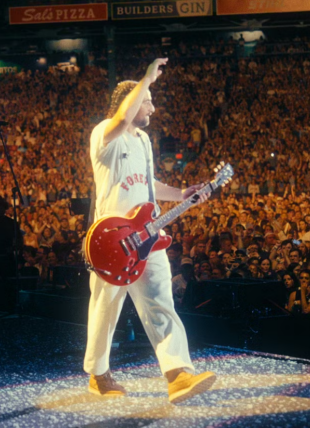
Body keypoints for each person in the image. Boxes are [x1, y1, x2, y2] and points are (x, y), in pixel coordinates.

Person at [84, 58, 216, 404]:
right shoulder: (104, 133)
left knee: (160, 301)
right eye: (147, 101)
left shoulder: (143, 139)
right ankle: (98, 374)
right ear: (129, 103)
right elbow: (122, 118)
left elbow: (149, 184)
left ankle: (178, 374)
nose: (153, 108)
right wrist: (146, 78)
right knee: (106, 308)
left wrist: (181, 194)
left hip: (148, 237)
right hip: (111, 240)